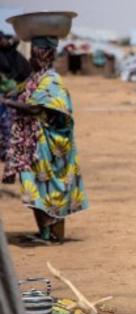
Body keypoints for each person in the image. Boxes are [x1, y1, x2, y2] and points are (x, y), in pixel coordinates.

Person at [0, 36, 88, 243]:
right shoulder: (36, 78)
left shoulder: (52, 80)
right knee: (34, 186)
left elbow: (35, 107)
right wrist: (10, 95)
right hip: (34, 144)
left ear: (43, 56)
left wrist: (5, 102)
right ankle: (45, 233)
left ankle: (56, 235)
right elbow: (19, 90)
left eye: (33, 55)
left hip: (51, 145)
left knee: (52, 188)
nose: (29, 59)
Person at [0, 31, 30, 161]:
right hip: (8, 90)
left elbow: (16, 38)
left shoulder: (9, 51)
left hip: (13, 88)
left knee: (10, 123)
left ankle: (10, 151)